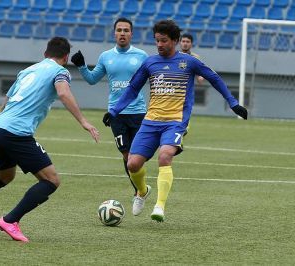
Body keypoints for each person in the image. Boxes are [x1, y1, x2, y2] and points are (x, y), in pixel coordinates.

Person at [0, 37, 100, 243]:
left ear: (45, 54)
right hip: (16, 132)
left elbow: (7, 100)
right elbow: (63, 93)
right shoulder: (60, 71)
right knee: (51, 180)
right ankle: (10, 220)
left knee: (4, 176)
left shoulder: (27, 70)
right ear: (65, 57)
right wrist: (83, 121)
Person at [103, 20, 248, 223]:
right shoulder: (150, 63)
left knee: (165, 156)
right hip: (151, 121)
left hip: (175, 122)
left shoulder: (189, 62)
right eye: (157, 41)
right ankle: (143, 191)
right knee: (133, 164)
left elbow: (214, 79)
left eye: (163, 41)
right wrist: (115, 110)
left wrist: (232, 102)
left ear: (176, 41)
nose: (159, 45)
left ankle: (159, 206)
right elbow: (133, 89)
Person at [70, 17, 148, 196]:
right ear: (114, 33)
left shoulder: (141, 56)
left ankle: (140, 189)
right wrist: (81, 66)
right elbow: (92, 79)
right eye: (119, 30)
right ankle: (139, 191)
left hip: (138, 112)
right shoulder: (106, 56)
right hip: (116, 114)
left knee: (137, 157)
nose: (122, 33)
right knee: (126, 156)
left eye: (126, 30)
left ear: (131, 34)